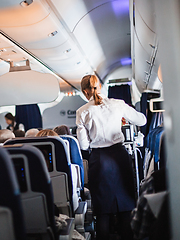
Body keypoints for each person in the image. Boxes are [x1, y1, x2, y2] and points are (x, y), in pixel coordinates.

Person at [76, 75, 147, 240]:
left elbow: (84, 145)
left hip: (99, 160)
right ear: (99, 86)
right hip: (119, 157)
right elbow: (142, 120)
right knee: (126, 206)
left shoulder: (82, 112)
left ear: (84, 91)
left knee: (103, 211)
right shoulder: (118, 104)